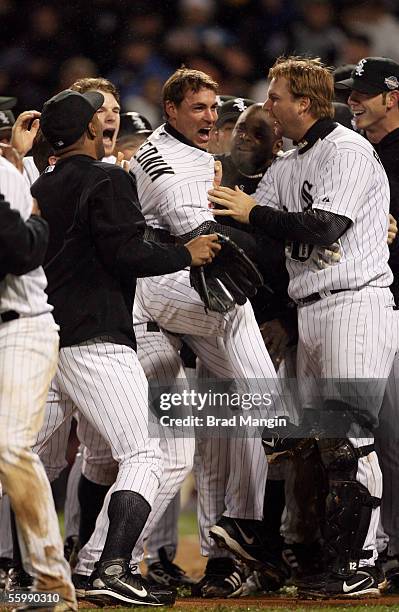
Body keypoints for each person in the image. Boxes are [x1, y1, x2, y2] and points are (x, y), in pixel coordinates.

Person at [208, 55, 397, 599]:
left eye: (277, 96)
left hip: (353, 305)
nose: (269, 104)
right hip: (312, 311)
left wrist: (249, 213)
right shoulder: (292, 162)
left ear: (305, 104)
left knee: (353, 443)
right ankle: (323, 555)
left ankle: (359, 563)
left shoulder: (348, 150)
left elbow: (322, 225)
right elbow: (250, 226)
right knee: (322, 445)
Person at [30, 88, 220, 608]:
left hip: (48, 335)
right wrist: (187, 252)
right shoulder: (106, 177)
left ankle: (89, 565)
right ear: (92, 128)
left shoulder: (41, 183)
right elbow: (126, 253)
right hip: (95, 337)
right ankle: (111, 568)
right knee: (144, 453)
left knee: (25, 461)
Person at [130, 67, 289, 598]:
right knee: (234, 308)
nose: (210, 116)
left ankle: (233, 537)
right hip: (163, 283)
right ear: (170, 109)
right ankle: (276, 420)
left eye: (213, 106)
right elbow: (189, 225)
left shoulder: (205, 159)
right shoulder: (159, 159)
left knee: (225, 418)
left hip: (181, 287)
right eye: (197, 107)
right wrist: (221, 234)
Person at [0, 151, 77, 611]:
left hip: (20, 327)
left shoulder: (3, 175)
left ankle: (51, 583)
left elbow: (21, 249)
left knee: (10, 447)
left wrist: (34, 222)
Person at [336, 55, 399, 589]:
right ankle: (378, 549)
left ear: (392, 96)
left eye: (362, 93)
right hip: (372, 309)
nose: (352, 100)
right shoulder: (356, 153)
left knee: (390, 439)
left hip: (389, 306)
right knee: (375, 437)